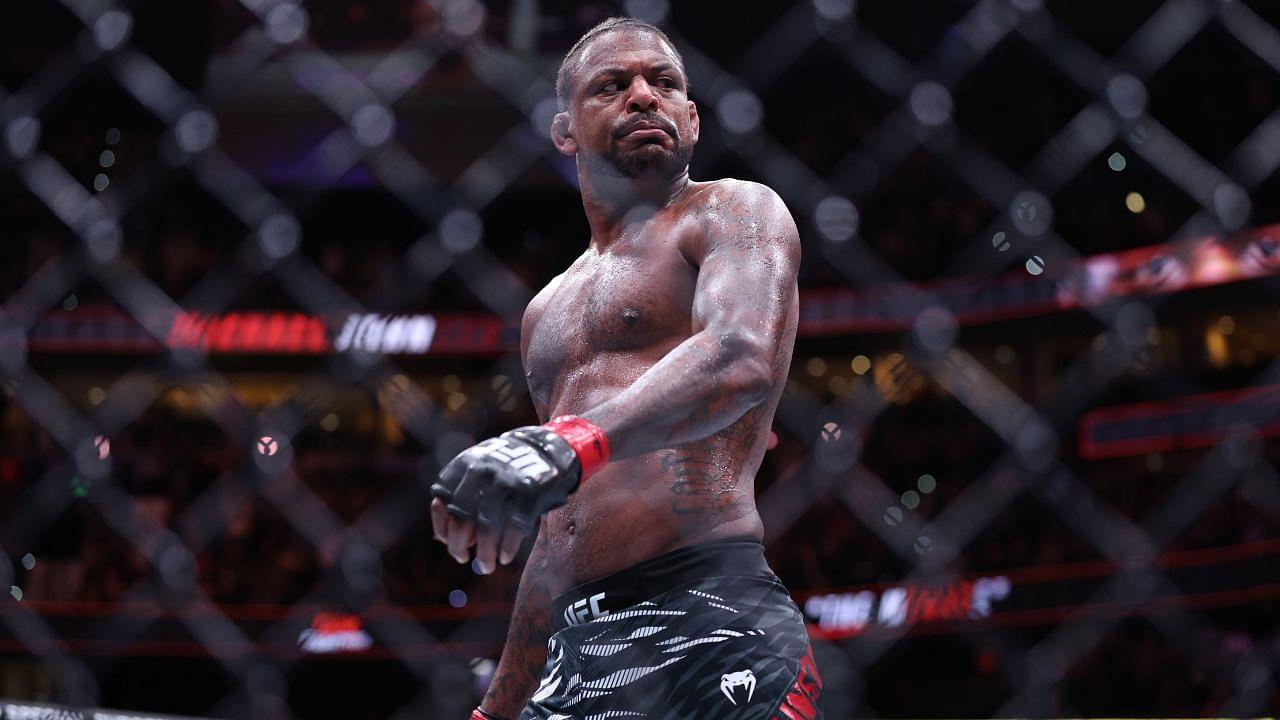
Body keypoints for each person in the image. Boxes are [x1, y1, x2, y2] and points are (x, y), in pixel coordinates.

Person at [430, 16, 821, 719]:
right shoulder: (544, 312)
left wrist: (568, 442)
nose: (644, 96)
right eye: (613, 85)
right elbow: (560, 529)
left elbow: (740, 357)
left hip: (709, 618)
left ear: (692, 119)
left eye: (663, 82)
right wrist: (497, 708)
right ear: (564, 130)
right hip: (575, 654)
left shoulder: (732, 211)